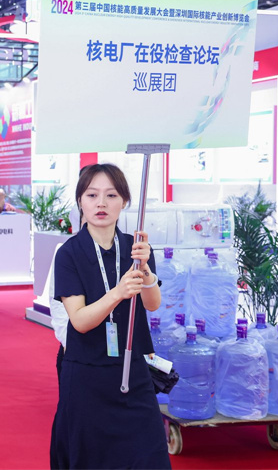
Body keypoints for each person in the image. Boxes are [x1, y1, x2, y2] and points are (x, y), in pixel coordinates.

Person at [52, 163, 170, 469]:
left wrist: (146, 271)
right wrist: (118, 292)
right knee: (90, 459)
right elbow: (80, 321)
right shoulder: (68, 253)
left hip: (133, 369)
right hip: (86, 372)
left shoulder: (136, 247)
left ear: (124, 201)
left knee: (148, 456)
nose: (101, 203)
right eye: (92, 195)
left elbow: (153, 304)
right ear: (80, 201)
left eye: (111, 195)